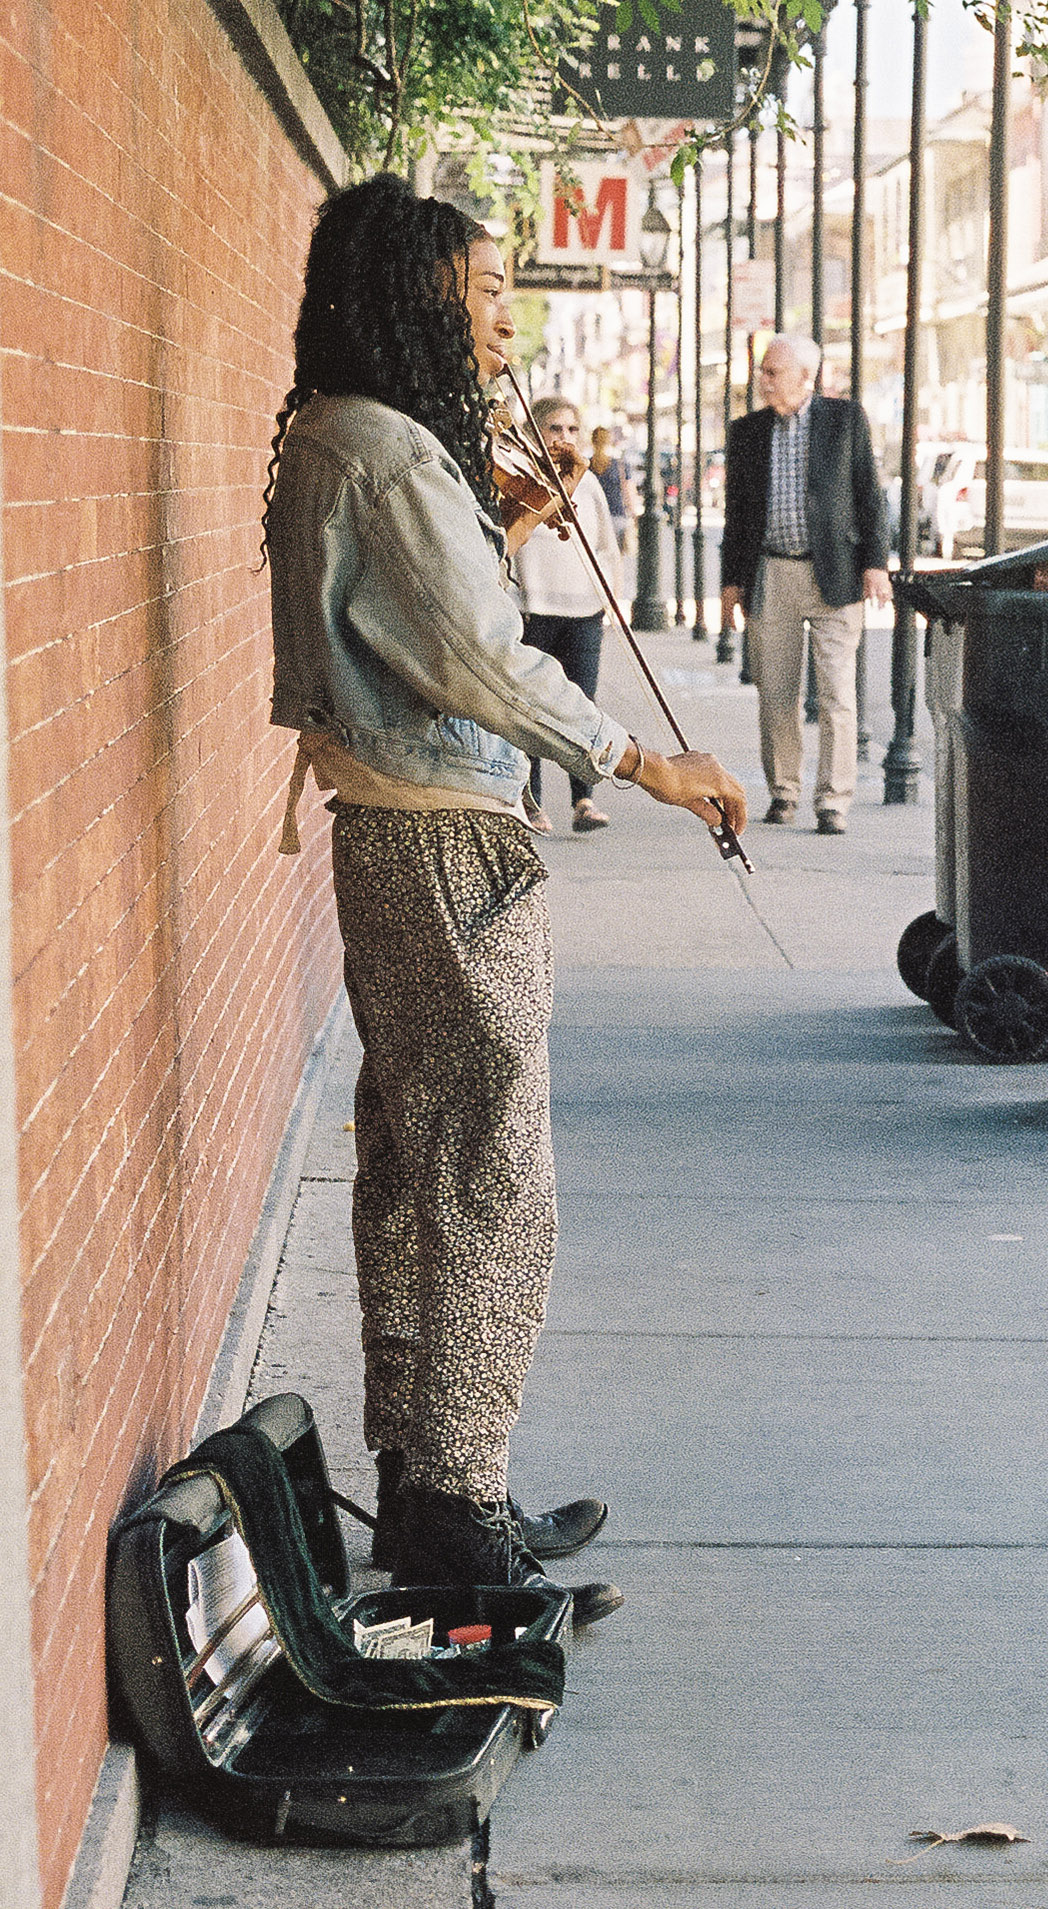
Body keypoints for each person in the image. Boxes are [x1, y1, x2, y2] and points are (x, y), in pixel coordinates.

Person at [264, 174, 745, 1618]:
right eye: (483, 291)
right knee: (491, 1174)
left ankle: (429, 1481)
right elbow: (476, 665)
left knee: (424, 1157)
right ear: (418, 296)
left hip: (395, 828)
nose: (504, 317)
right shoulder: (391, 456)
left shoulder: (345, 437)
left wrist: (509, 529)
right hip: (442, 839)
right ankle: (457, 1501)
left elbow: (417, 628)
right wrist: (641, 760)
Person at [719, 332, 892, 834]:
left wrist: (875, 564)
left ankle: (833, 801)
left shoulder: (844, 421)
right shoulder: (748, 432)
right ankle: (784, 792)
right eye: (763, 371)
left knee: (838, 694)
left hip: (835, 575)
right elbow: (737, 514)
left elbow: (870, 496)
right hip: (771, 574)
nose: (763, 380)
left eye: (772, 372)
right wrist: (732, 582)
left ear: (805, 377)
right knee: (776, 692)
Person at [516, 394, 620, 834]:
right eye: (554, 429)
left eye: (572, 430)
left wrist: (611, 599)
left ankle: (583, 800)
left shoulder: (589, 483)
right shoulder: (519, 481)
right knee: (529, 708)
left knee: (582, 705)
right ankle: (532, 803)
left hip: (582, 611)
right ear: (535, 433)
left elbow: (605, 548)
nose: (564, 438)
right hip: (531, 609)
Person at [590, 421, 631, 549]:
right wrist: (632, 514)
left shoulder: (586, 465)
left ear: (593, 441)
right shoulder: (619, 465)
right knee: (615, 558)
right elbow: (628, 492)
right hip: (616, 515)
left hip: (593, 516)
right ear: (608, 441)